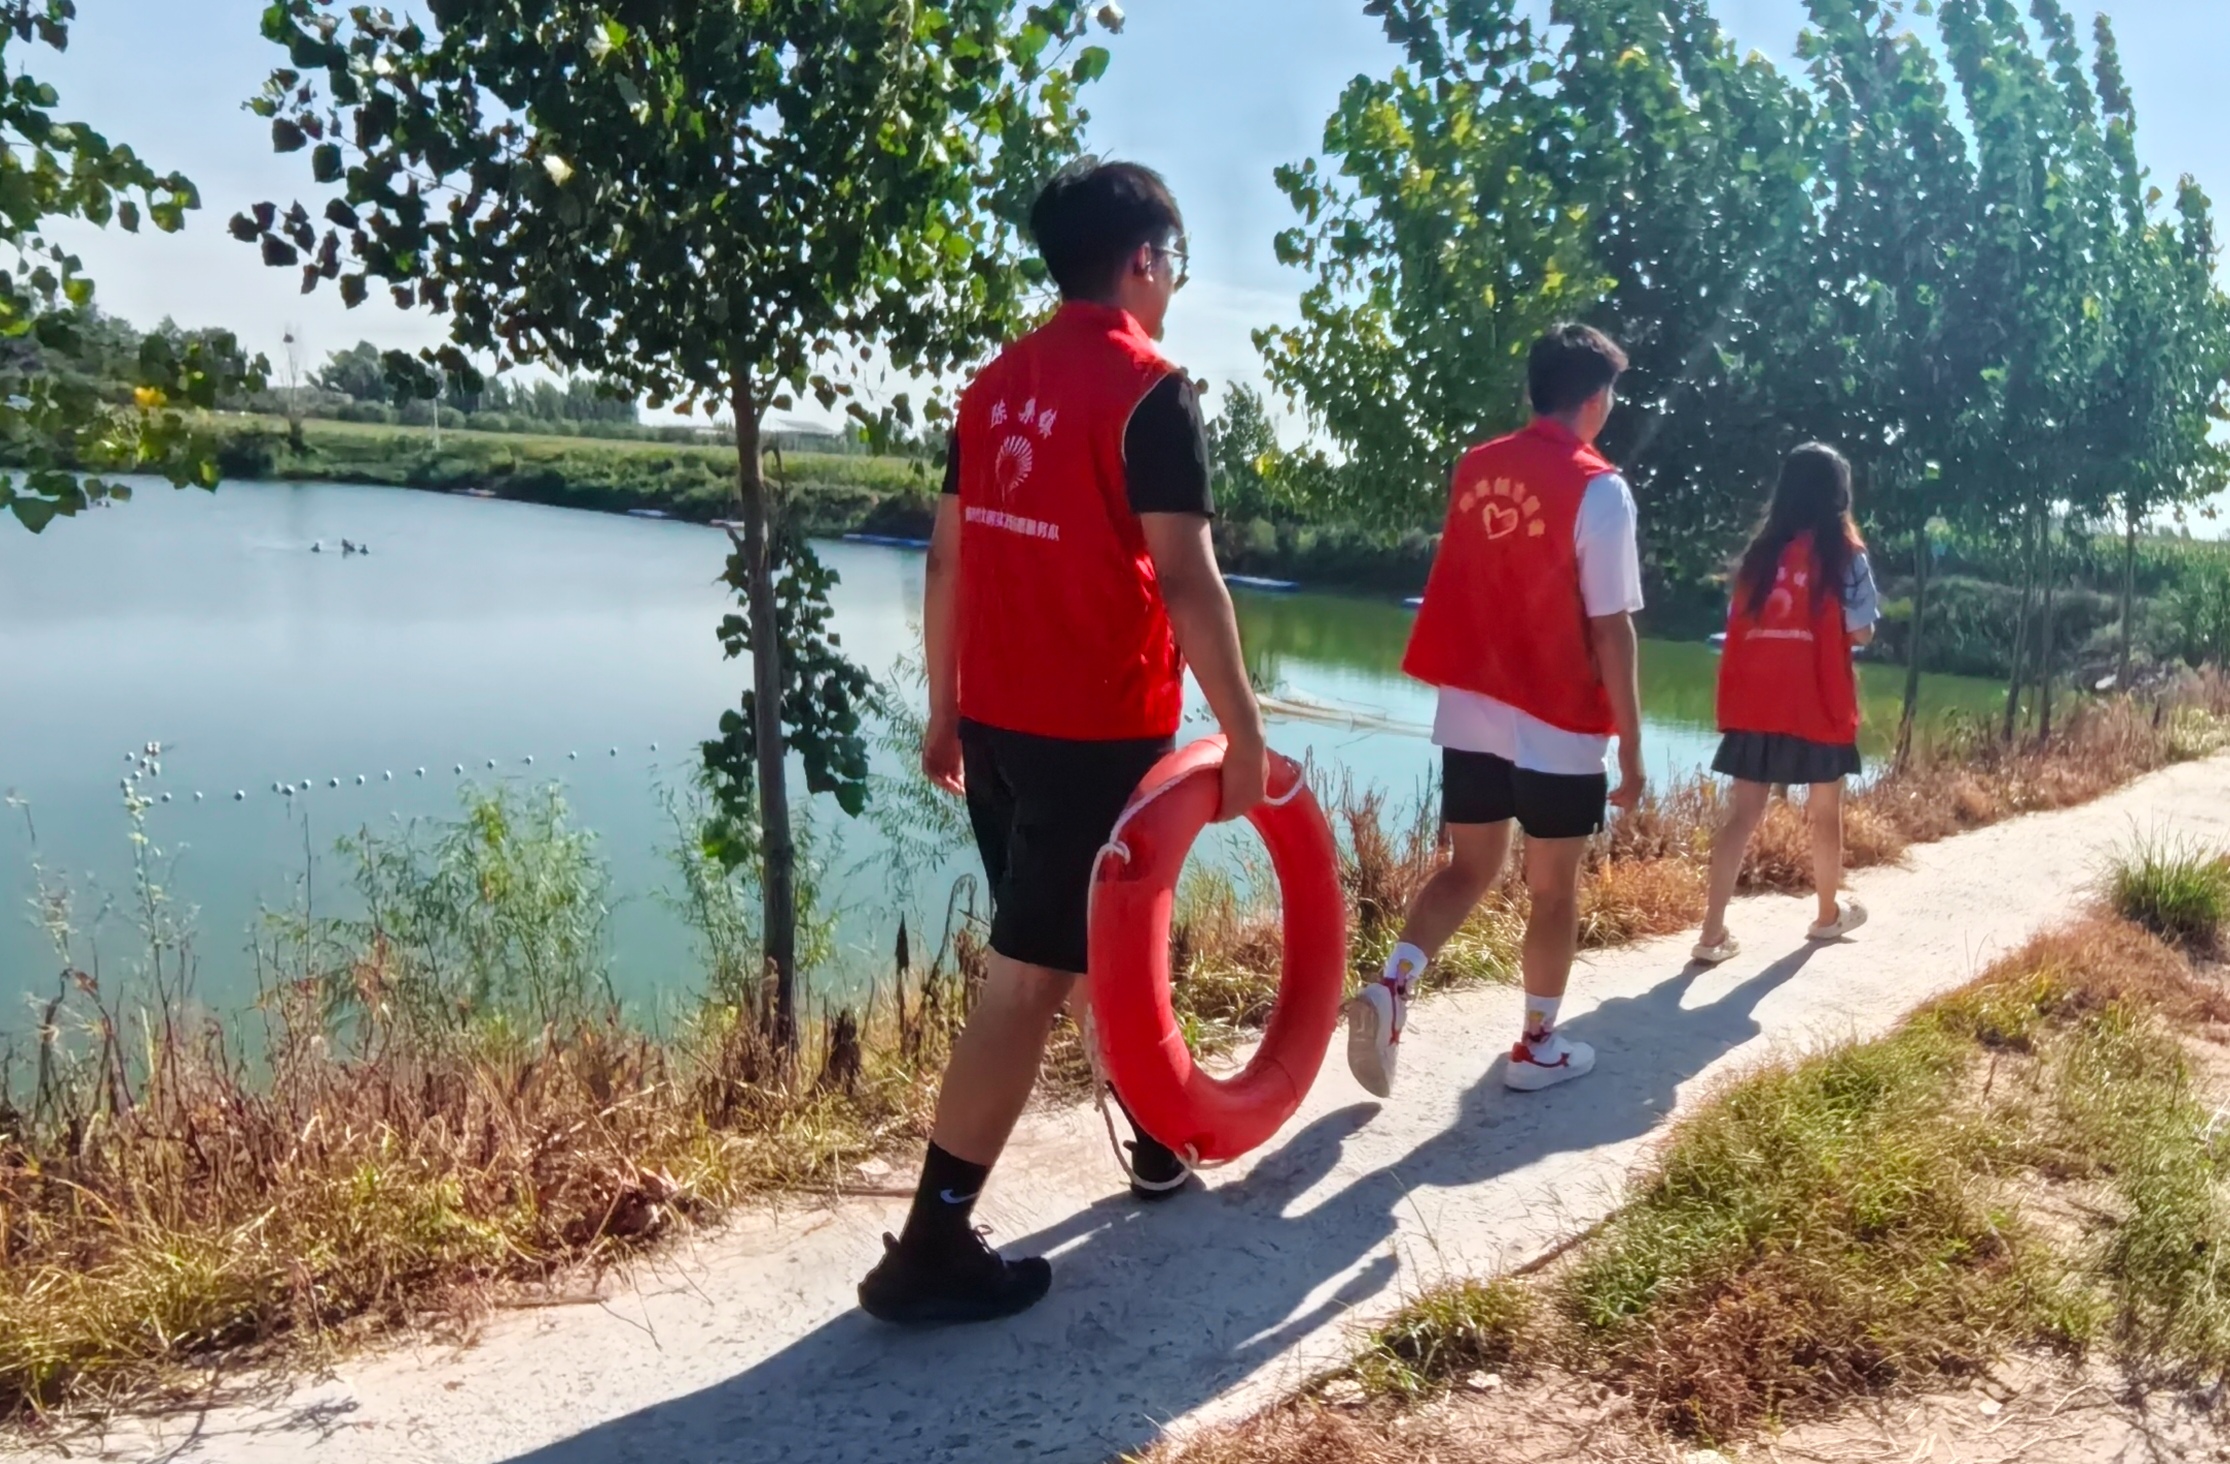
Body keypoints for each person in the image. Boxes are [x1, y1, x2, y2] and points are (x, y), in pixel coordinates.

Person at [858, 160, 1269, 1326]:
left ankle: (1153, 1134)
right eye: (1172, 262)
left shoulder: (992, 386)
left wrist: (944, 710)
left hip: (995, 723)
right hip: (1094, 731)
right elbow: (1187, 579)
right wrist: (1244, 732)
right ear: (1142, 259)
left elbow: (948, 558)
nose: (1173, 284)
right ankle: (931, 1248)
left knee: (1088, 946)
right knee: (1032, 977)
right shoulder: (1150, 391)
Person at [1346, 324, 1646, 1101]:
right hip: (1556, 716)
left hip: (1471, 706)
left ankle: (1390, 987)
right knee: (1552, 891)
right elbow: (1611, 626)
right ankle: (1537, 1046)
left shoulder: (1477, 467)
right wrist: (1633, 745)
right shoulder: (1600, 489)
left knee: (1468, 868)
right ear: (1595, 400)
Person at [1691, 443, 1878, 965]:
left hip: (1756, 700)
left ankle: (1711, 933)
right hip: (1817, 698)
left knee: (1741, 815)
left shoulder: (1759, 556)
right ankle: (1826, 916)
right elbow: (1862, 630)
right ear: (1839, 495)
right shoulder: (1846, 556)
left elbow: (1738, 625)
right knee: (1825, 813)